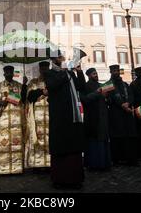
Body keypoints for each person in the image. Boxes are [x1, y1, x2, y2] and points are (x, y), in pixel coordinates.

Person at [44, 51, 86, 189]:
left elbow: (81, 87)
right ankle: (60, 179)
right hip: (60, 117)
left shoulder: (69, 73)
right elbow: (52, 86)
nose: (62, 58)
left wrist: (79, 71)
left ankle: (75, 179)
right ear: (53, 59)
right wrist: (64, 71)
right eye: (59, 57)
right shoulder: (50, 73)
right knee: (61, 148)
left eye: (61, 57)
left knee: (74, 148)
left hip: (73, 116)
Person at [0, 66, 28, 175]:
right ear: (4, 74)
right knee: (3, 143)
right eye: (7, 72)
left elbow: (22, 99)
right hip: (3, 119)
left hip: (16, 119)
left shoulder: (19, 85)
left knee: (16, 143)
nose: (9, 74)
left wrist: (25, 85)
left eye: (10, 72)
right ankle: (3, 167)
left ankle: (17, 167)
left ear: (13, 73)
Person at [105, 65, 138, 166]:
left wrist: (128, 103)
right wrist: (121, 104)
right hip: (115, 114)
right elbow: (108, 98)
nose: (116, 72)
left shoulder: (125, 84)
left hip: (127, 113)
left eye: (117, 70)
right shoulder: (107, 84)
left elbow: (131, 95)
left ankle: (130, 159)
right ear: (111, 72)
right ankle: (117, 159)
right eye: (114, 70)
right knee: (117, 137)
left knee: (129, 137)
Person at [80, 68, 112, 171]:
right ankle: (94, 164)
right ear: (89, 75)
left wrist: (107, 97)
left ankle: (104, 163)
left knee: (103, 140)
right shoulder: (86, 86)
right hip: (92, 118)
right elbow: (85, 99)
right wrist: (97, 92)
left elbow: (107, 100)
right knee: (94, 141)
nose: (96, 75)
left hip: (103, 116)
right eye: (94, 74)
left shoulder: (101, 85)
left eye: (96, 73)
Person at [25, 61, 51, 172]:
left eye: (46, 68)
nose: (44, 70)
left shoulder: (53, 81)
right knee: (38, 139)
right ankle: (38, 164)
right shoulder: (33, 82)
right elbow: (29, 97)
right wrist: (41, 92)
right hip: (37, 117)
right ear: (40, 69)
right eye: (42, 68)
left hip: (51, 115)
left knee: (50, 139)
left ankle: (50, 163)